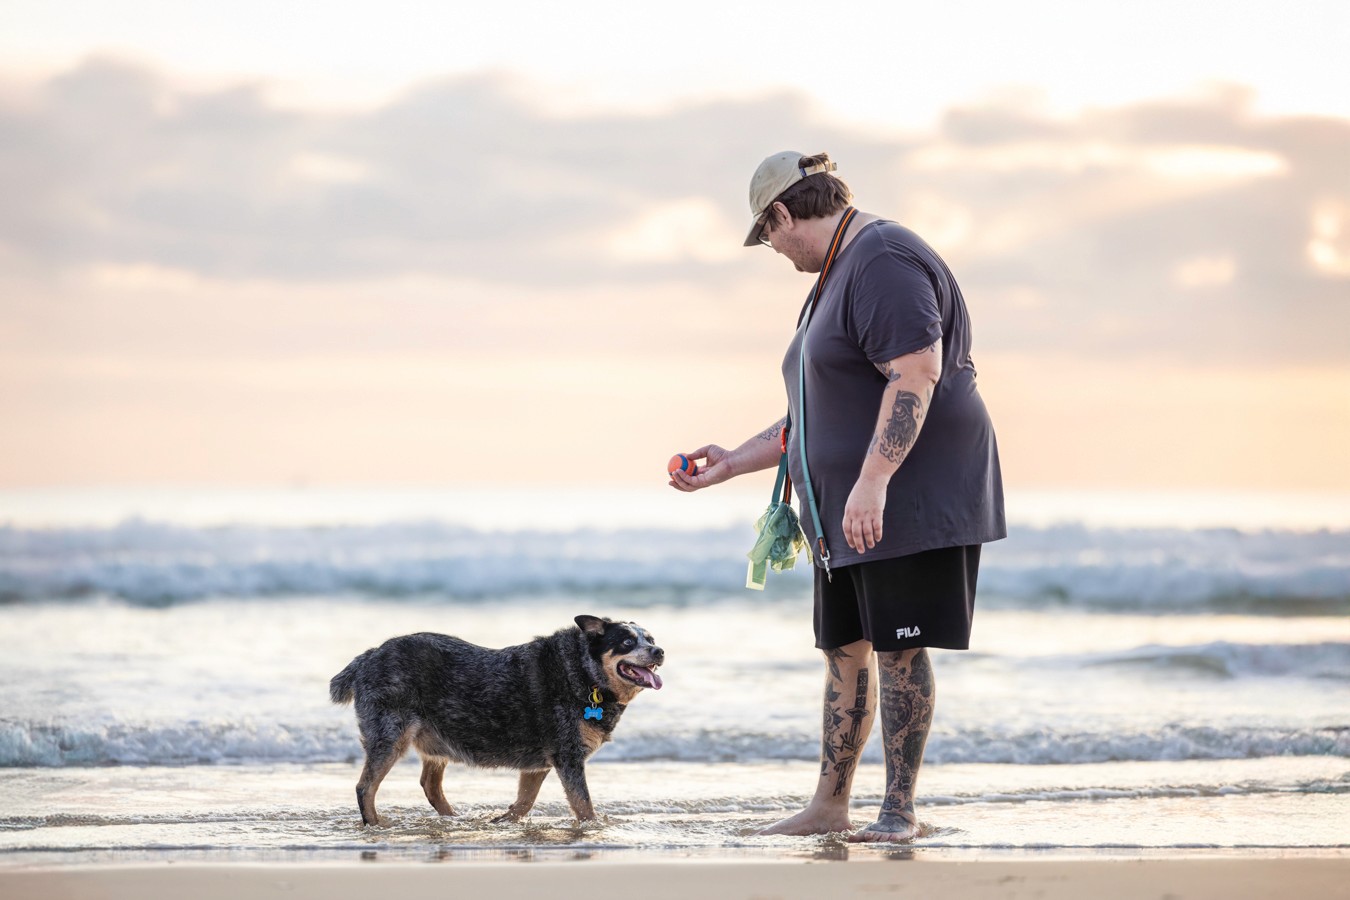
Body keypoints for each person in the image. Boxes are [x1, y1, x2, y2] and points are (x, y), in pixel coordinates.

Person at [671, 151, 1005, 842]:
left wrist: (874, 481)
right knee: (845, 650)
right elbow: (813, 412)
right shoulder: (834, 275)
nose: (773, 249)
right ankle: (829, 807)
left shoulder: (879, 256)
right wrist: (731, 462)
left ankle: (898, 814)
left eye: (767, 236)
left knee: (899, 650)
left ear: (783, 213)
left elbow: (916, 373)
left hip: (904, 498)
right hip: (846, 505)